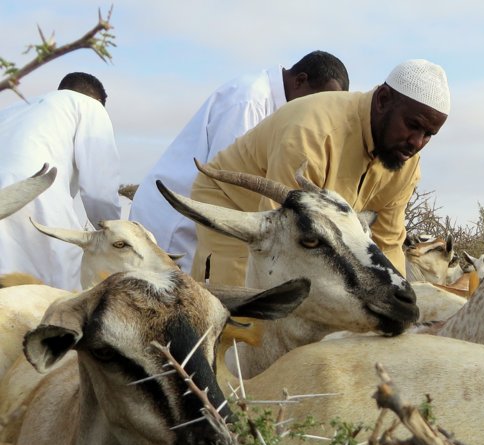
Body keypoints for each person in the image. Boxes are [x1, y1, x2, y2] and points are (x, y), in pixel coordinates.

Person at [189, 58, 450, 286]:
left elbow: (387, 243)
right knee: (248, 310)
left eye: (429, 134)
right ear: (382, 100)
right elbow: (279, 236)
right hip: (235, 205)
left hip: (296, 225)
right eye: (412, 125)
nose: (417, 142)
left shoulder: (405, 163)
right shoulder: (312, 133)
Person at [130, 50, 350, 271]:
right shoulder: (249, 101)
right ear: (300, 81)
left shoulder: (281, 109)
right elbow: (230, 181)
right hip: (174, 222)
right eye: (319, 101)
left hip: (197, 221)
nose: (319, 112)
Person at [0, 72, 121, 290]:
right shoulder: (90, 106)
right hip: (37, 191)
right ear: (97, 100)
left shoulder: (15, 108)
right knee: (60, 293)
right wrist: (115, 234)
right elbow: (99, 191)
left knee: (7, 288)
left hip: (6, 197)